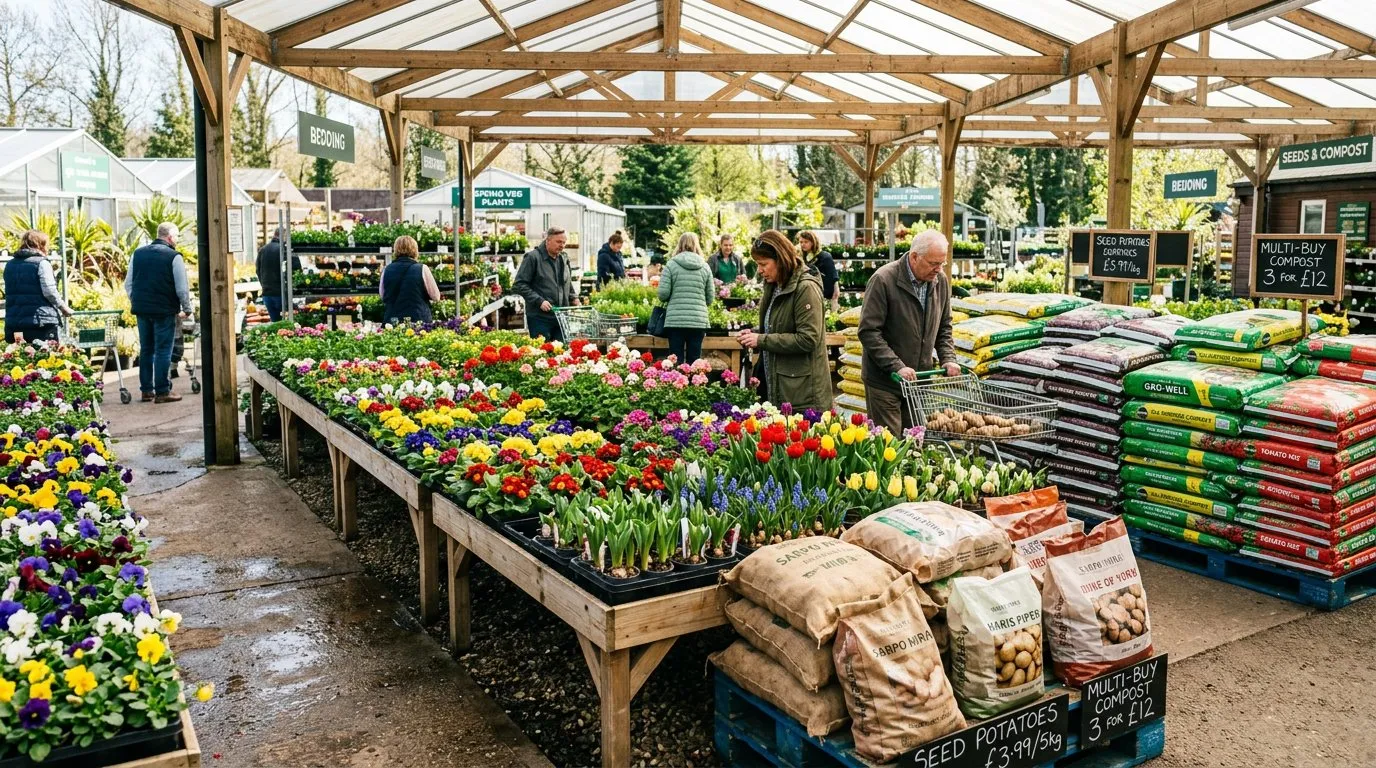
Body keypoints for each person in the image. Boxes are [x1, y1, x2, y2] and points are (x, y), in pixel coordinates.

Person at [858, 230, 960, 435]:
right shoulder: (884, 280)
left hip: (919, 382)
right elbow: (869, 332)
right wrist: (897, 366)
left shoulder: (940, 282)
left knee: (915, 442)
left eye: (942, 264)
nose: (938, 269)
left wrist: (948, 358)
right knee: (889, 444)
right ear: (915, 257)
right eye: (933, 263)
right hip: (886, 382)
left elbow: (944, 327)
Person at [738, 230, 832, 412]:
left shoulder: (806, 288)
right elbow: (777, 325)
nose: (759, 270)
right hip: (779, 383)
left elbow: (808, 339)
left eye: (763, 264)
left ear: (781, 260)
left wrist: (761, 340)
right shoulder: (775, 286)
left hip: (802, 393)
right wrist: (756, 334)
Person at [126, 223, 193, 403]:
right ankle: (163, 391)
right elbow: (182, 288)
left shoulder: (138, 254)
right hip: (164, 311)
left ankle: (147, 390)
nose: (177, 240)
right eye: (177, 236)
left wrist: (138, 302)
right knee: (163, 350)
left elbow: (128, 284)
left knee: (146, 349)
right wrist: (187, 309)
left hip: (142, 310)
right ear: (170, 237)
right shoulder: (174, 256)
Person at [3, 230, 73, 343]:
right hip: (41, 323)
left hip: (15, 324)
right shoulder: (42, 263)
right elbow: (49, 291)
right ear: (41, 245)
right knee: (47, 358)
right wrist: (63, 308)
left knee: (20, 358)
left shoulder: (10, 265)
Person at [657, 232, 713, 365]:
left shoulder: (671, 265)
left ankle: (677, 385)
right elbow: (710, 298)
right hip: (698, 321)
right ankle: (695, 385)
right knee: (695, 364)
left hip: (675, 321)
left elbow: (662, 295)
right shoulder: (705, 267)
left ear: (679, 245)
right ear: (696, 245)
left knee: (675, 361)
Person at [379, 235, 441, 323]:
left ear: (395, 249)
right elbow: (436, 296)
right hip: (419, 319)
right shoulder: (422, 268)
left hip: (393, 320)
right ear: (415, 250)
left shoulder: (387, 269)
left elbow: (383, 295)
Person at [255, 226, 301, 322]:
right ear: (284, 236)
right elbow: (296, 269)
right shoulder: (284, 249)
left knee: (276, 325)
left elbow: (258, 271)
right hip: (281, 294)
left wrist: (264, 285)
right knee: (290, 325)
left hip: (267, 294)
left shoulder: (262, 250)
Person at [798, 230, 839, 313]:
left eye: (806, 242)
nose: (803, 244)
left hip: (824, 292)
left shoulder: (824, 256)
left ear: (813, 242)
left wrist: (835, 294)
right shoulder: (802, 257)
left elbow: (833, 276)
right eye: (801, 242)